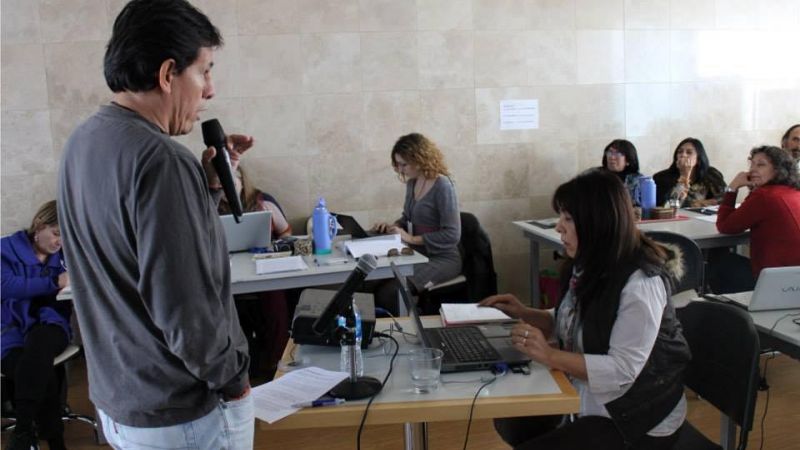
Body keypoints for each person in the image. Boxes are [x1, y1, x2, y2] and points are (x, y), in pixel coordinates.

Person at [57, 1, 254, 448]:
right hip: (183, 412)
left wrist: (207, 186)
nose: (210, 91)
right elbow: (184, 304)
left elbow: (135, 246)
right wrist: (234, 380)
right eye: (204, 71)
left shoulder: (83, 141)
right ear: (168, 74)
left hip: (121, 401)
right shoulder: (162, 160)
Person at [479, 169, 690, 450]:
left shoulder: (641, 283)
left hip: (637, 417)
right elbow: (578, 321)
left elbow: (622, 369)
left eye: (568, 219)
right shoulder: (588, 263)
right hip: (595, 397)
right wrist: (525, 313)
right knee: (513, 422)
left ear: (597, 223)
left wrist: (550, 355)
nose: (559, 227)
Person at [1, 201, 70, 450]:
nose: (59, 242)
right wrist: (54, 282)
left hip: (50, 325)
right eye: (56, 233)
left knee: (39, 345)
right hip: (10, 330)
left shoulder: (65, 256)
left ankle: (23, 430)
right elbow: (6, 286)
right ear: (39, 226)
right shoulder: (5, 250)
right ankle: (55, 442)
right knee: (37, 365)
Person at [372, 133, 461, 315]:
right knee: (370, 281)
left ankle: (410, 327)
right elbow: (407, 219)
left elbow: (452, 234)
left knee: (391, 292)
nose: (400, 169)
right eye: (397, 164)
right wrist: (392, 227)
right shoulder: (412, 183)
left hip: (442, 259)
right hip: (416, 255)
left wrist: (411, 239)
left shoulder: (443, 185)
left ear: (419, 159)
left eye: (404, 164)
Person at [220, 163, 292, 381]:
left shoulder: (262, 202)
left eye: (231, 183)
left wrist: (276, 246)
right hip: (230, 271)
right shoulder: (209, 205)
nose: (226, 190)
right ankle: (239, 366)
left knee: (274, 298)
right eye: (222, 186)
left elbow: (286, 232)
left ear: (242, 182)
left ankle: (276, 361)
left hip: (264, 266)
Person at [715, 146, 800, 282]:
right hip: (792, 275)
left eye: (760, 165)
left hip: (778, 280)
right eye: (752, 164)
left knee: (716, 260)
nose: (752, 170)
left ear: (778, 170)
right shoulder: (794, 191)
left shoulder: (765, 196)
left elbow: (725, 226)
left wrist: (732, 188)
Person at [652, 137, 727, 208]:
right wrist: (684, 175)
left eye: (689, 152)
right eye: (680, 152)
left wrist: (699, 203)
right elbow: (669, 206)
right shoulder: (661, 178)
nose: (683, 155)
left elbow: (725, 198)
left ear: (698, 159)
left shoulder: (711, 173)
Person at [600, 139, 643, 204]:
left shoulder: (639, 181)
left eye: (618, 153)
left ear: (628, 160)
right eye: (610, 152)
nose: (612, 157)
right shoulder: (597, 177)